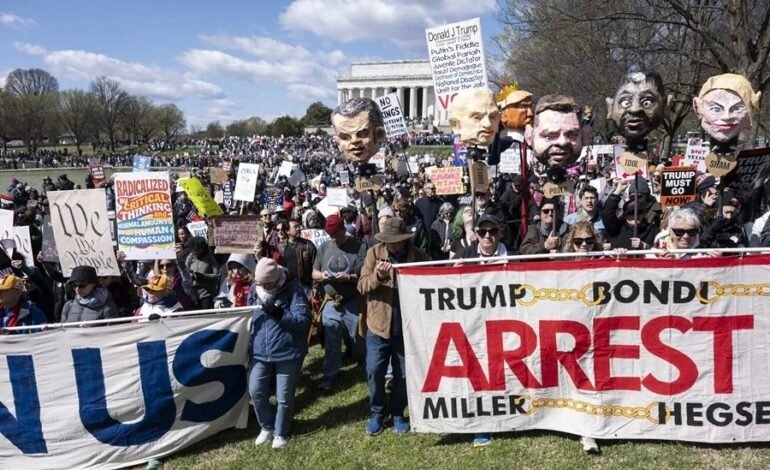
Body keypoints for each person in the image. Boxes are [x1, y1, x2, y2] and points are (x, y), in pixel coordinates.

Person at [358, 217, 429, 436]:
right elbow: (362, 286)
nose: (394, 245)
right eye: (390, 241)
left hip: (406, 327)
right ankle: (378, 412)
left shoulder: (416, 255)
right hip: (378, 325)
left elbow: (431, 278)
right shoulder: (373, 254)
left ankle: (398, 411)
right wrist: (378, 276)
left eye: (397, 241)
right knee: (374, 370)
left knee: (404, 374)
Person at [249, 258, 311, 449]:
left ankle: (281, 431)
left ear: (277, 279)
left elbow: (303, 321)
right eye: (261, 284)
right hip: (260, 351)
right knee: (256, 391)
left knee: (284, 396)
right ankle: (267, 426)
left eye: (268, 284)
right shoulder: (254, 290)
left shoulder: (294, 290)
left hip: (288, 352)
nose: (265, 287)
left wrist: (279, 314)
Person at [312, 214, 365, 392]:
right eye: (331, 236)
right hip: (331, 303)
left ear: (344, 230)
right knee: (332, 340)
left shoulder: (357, 247)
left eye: (337, 235)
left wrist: (349, 277)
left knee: (358, 337)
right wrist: (323, 276)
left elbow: (364, 274)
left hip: (351, 301)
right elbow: (314, 273)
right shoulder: (324, 247)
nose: (334, 239)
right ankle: (330, 376)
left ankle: (364, 364)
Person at [652, 208, 720, 258]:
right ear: (670, 231)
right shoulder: (659, 242)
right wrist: (659, 263)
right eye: (679, 232)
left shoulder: (704, 246)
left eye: (691, 232)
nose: (686, 236)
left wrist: (718, 261)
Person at [275, 218, 317, 294]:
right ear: (287, 231)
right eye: (295, 227)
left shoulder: (308, 245)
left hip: (306, 288)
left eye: (299, 226)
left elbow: (316, 267)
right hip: (286, 288)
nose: (299, 229)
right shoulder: (279, 247)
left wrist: (315, 287)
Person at [185, 237, 220, 309]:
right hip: (194, 293)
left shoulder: (210, 258)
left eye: (197, 250)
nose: (195, 252)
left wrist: (204, 276)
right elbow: (185, 272)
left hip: (207, 293)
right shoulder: (190, 257)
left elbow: (217, 275)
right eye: (193, 250)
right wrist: (191, 275)